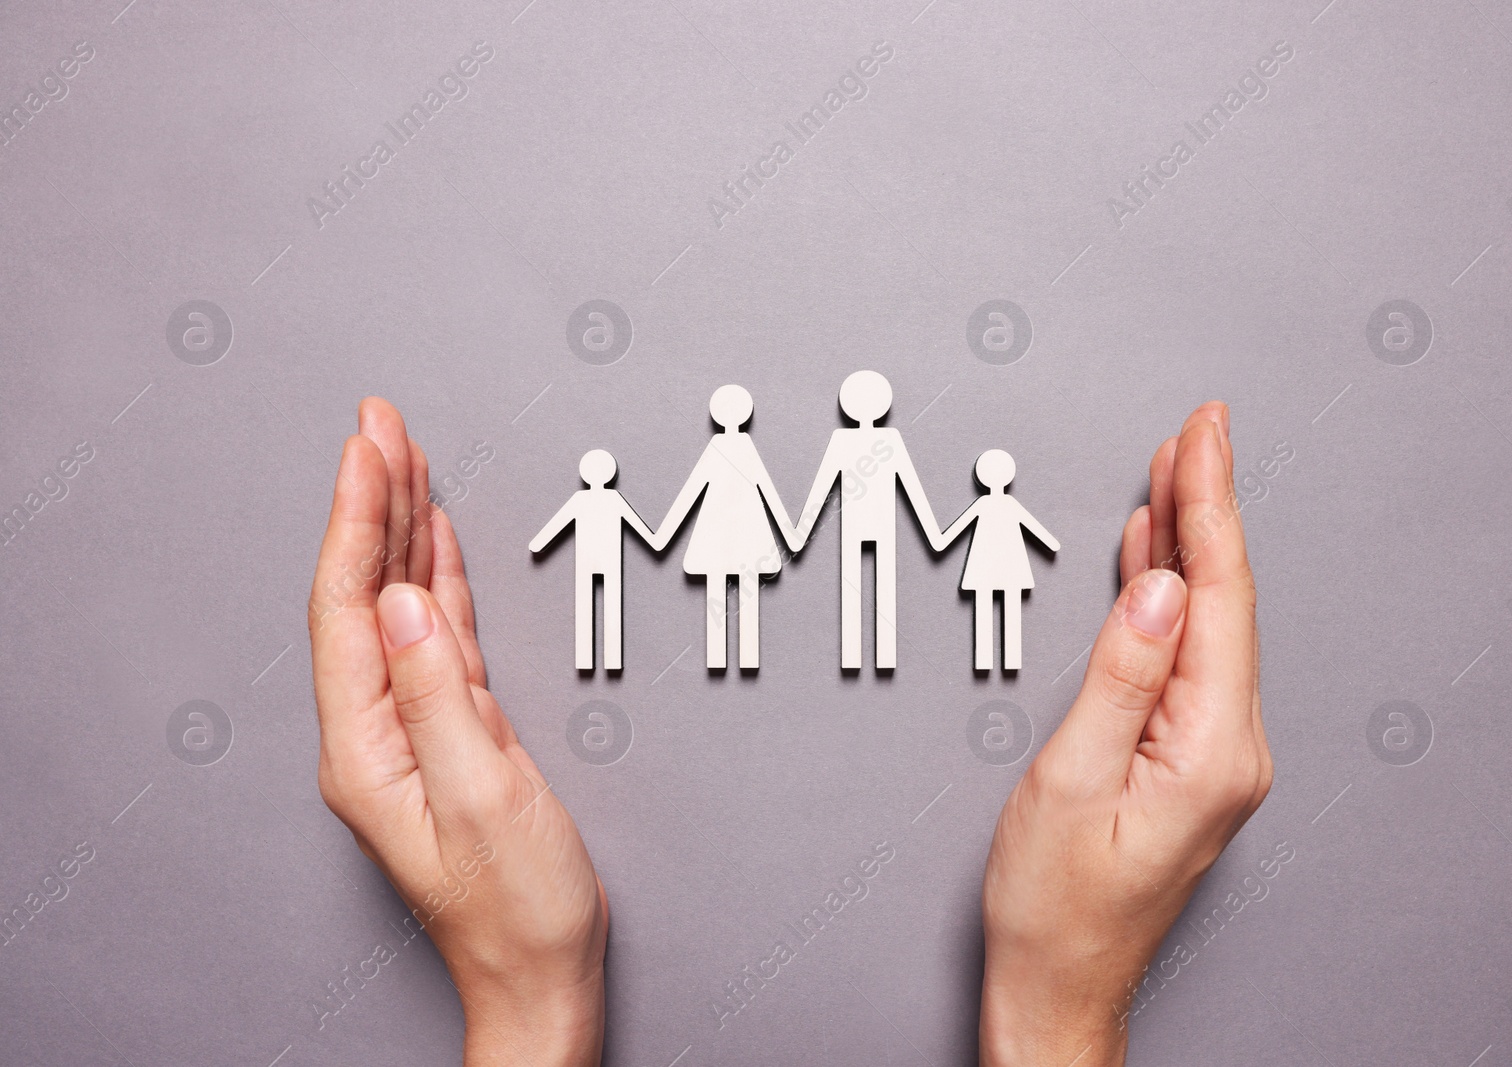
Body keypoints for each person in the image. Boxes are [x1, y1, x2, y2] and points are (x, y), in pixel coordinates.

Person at [308, 397, 1268, 1067]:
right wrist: (1060, 1008)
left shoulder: (889, 462)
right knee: (825, 599)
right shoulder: (814, 455)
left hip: (873, 556)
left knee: (873, 602)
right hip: (760, 547)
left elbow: (881, 507)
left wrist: (530, 1007)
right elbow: (784, 504)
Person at [792, 370, 944, 670]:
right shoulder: (882, 439)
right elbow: (910, 488)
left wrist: (800, 532)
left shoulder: (860, 439)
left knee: (857, 585)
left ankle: (861, 656)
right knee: (874, 584)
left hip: (861, 524)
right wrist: (933, 533)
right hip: (868, 524)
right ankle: (874, 656)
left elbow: (908, 485)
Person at [650, 384, 800, 669]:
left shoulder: (725, 447)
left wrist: (663, 535)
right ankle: (743, 659)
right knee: (746, 587)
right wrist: (791, 534)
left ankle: (723, 659)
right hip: (741, 532)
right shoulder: (736, 447)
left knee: (719, 587)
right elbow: (764, 489)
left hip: (721, 533)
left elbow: (692, 492)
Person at [932, 449, 1060, 671]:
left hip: (985, 565)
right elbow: (1037, 531)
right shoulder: (1006, 504)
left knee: (986, 607)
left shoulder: (986, 504)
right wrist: (1051, 543)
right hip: (1008, 565)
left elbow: (952, 533)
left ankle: (987, 661)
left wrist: (939, 539)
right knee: (1007, 607)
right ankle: (1007, 661)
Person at [528, 448, 655, 671]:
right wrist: (658, 540)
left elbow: (552, 529)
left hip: (589, 563)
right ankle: (611, 661)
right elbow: (643, 531)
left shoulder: (582, 499)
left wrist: (538, 543)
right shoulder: (613, 499)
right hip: (609, 562)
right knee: (611, 607)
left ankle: (588, 660)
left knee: (586, 607)